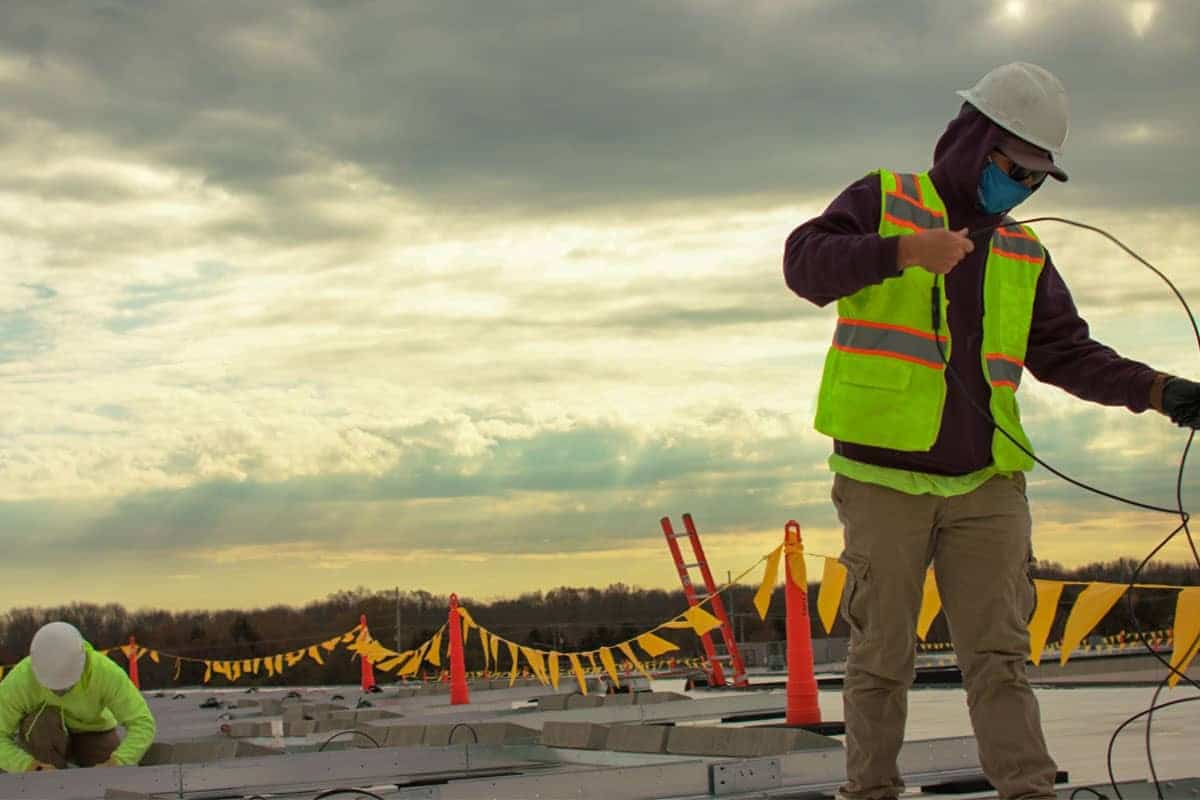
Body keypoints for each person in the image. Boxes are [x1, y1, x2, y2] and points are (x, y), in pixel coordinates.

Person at [783, 62, 1200, 800]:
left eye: (1040, 178)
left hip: (987, 482)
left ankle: (1028, 791)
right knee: (882, 656)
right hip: (883, 479)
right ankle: (870, 791)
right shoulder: (885, 199)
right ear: (976, 143)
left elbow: (1069, 354)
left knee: (1001, 656)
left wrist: (1160, 390)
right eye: (1017, 170)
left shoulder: (1023, 252)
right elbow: (804, 265)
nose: (1026, 188)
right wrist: (901, 252)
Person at [0, 621, 156, 772]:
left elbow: (142, 723)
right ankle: (50, 783)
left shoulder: (104, 672)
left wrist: (118, 761)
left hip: (93, 730)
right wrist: (28, 766)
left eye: (66, 685)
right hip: (45, 734)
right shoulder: (21, 679)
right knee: (43, 724)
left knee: (107, 778)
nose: (60, 692)